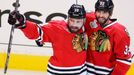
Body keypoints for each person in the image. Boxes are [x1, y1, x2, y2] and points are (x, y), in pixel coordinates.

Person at [8, 4, 88, 75]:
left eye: (78, 22)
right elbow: (36, 31)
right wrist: (22, 23)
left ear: (84, 20)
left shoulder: (88, 26)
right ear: (68, 18)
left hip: (81, 72)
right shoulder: (57, 28)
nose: (74, 25)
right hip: (57, 71)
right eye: (72, 20)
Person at [85, 0, 132, 75]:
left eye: (104, 12)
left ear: (110, 13)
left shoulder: (119, 32)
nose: (100, 15)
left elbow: (125, 61)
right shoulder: (89, 20)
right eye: (98, 11)